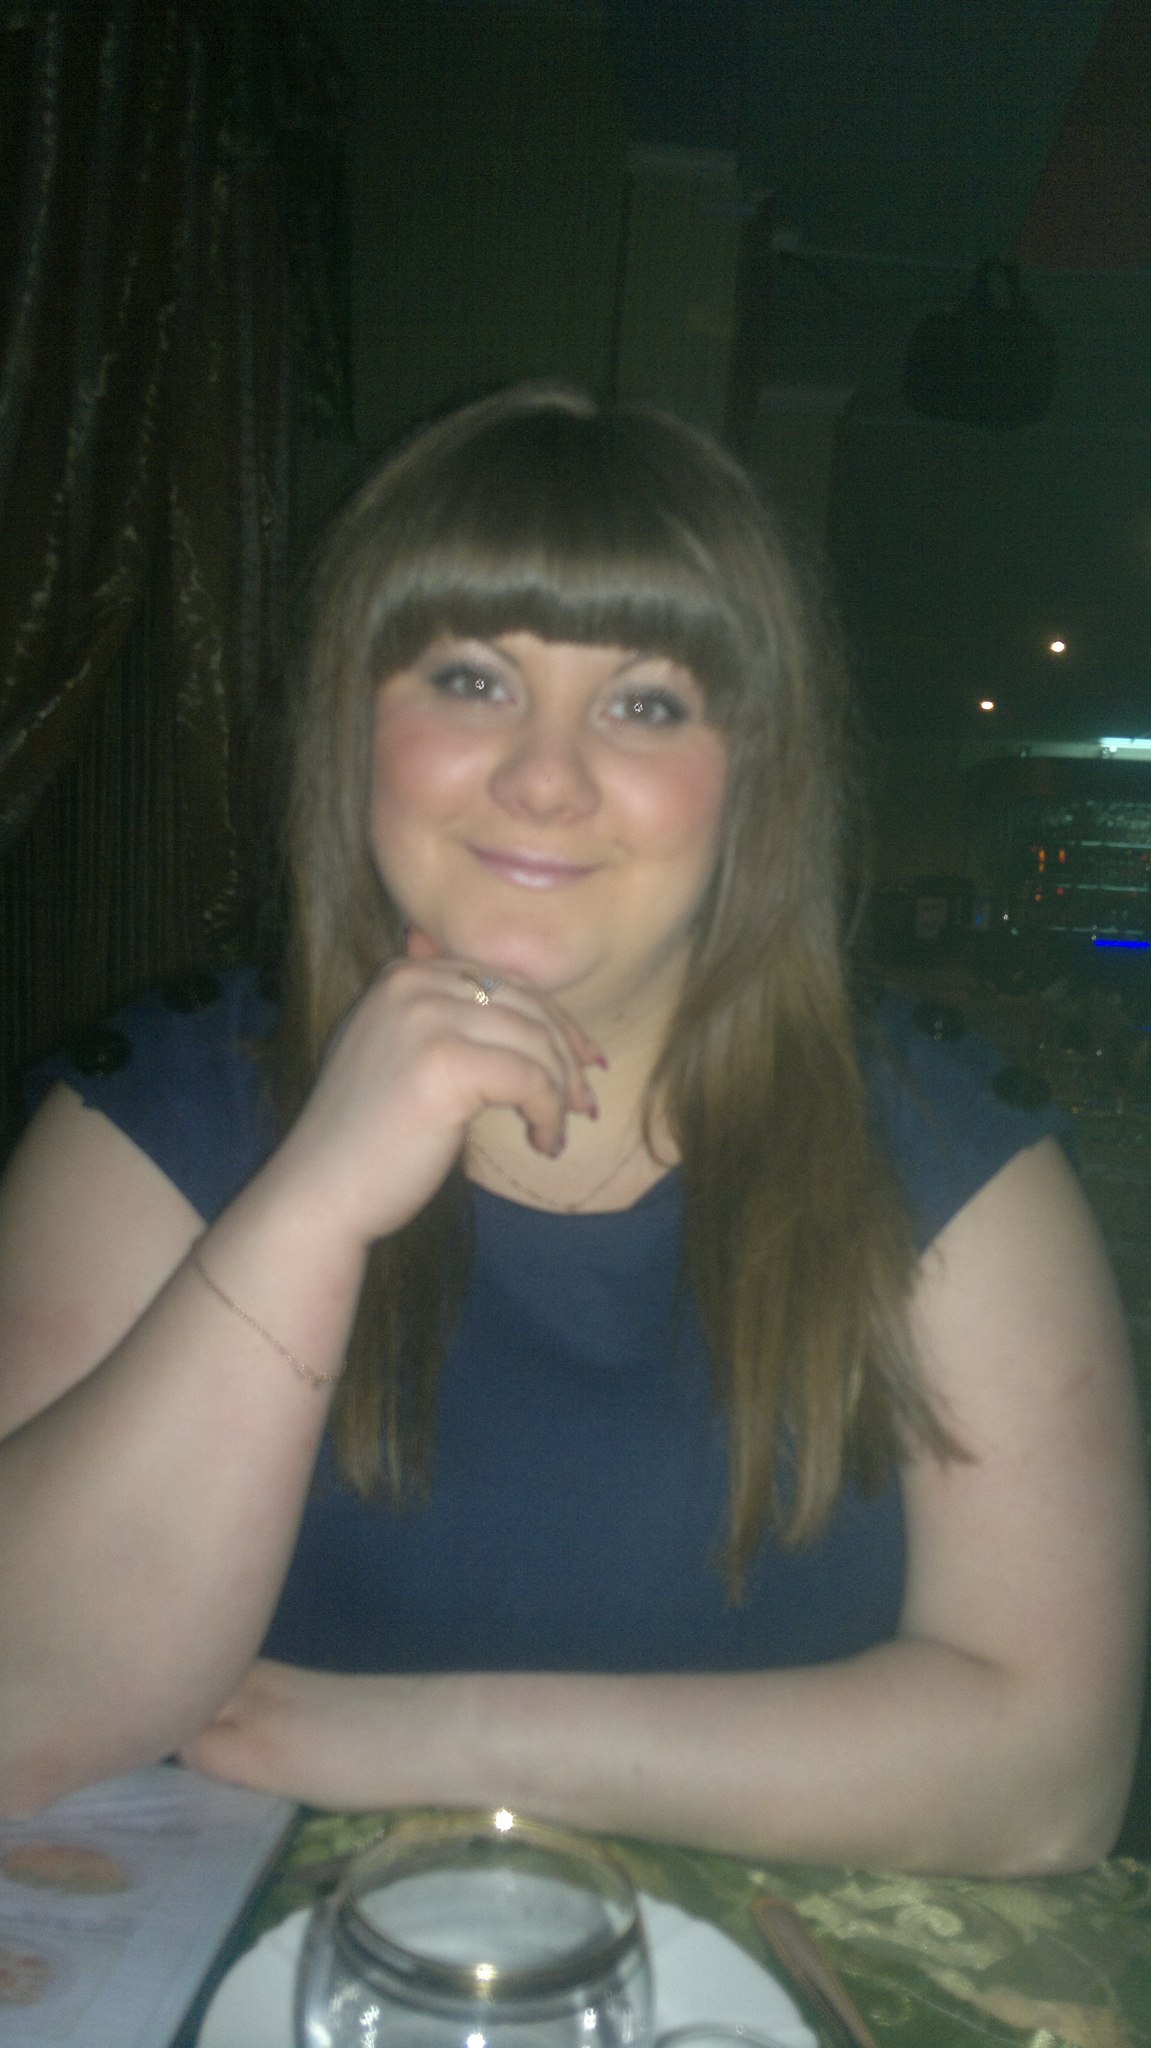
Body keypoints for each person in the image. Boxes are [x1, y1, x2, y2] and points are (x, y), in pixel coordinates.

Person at [0, 385, 1145, 1874]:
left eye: (646, 703)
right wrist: (310, 1207)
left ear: (754, 774)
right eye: (471, 679)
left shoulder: (951, 1156)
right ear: (356, 724)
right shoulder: (142, 1117)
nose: (544, 778)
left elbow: (1054, 1777)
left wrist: (432, 1742)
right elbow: (21, 1706)